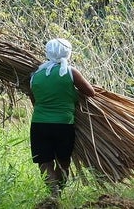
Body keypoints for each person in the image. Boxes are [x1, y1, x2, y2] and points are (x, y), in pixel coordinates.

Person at [29, 38, 95, 198]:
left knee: (44, 162)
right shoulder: (71, 72)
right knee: (64, 161)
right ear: (67, 52)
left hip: (39, 124)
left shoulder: (35, 74)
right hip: (63, 125)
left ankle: (53, 194)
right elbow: (90, 92)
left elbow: (34, 100)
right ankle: (57, 194)